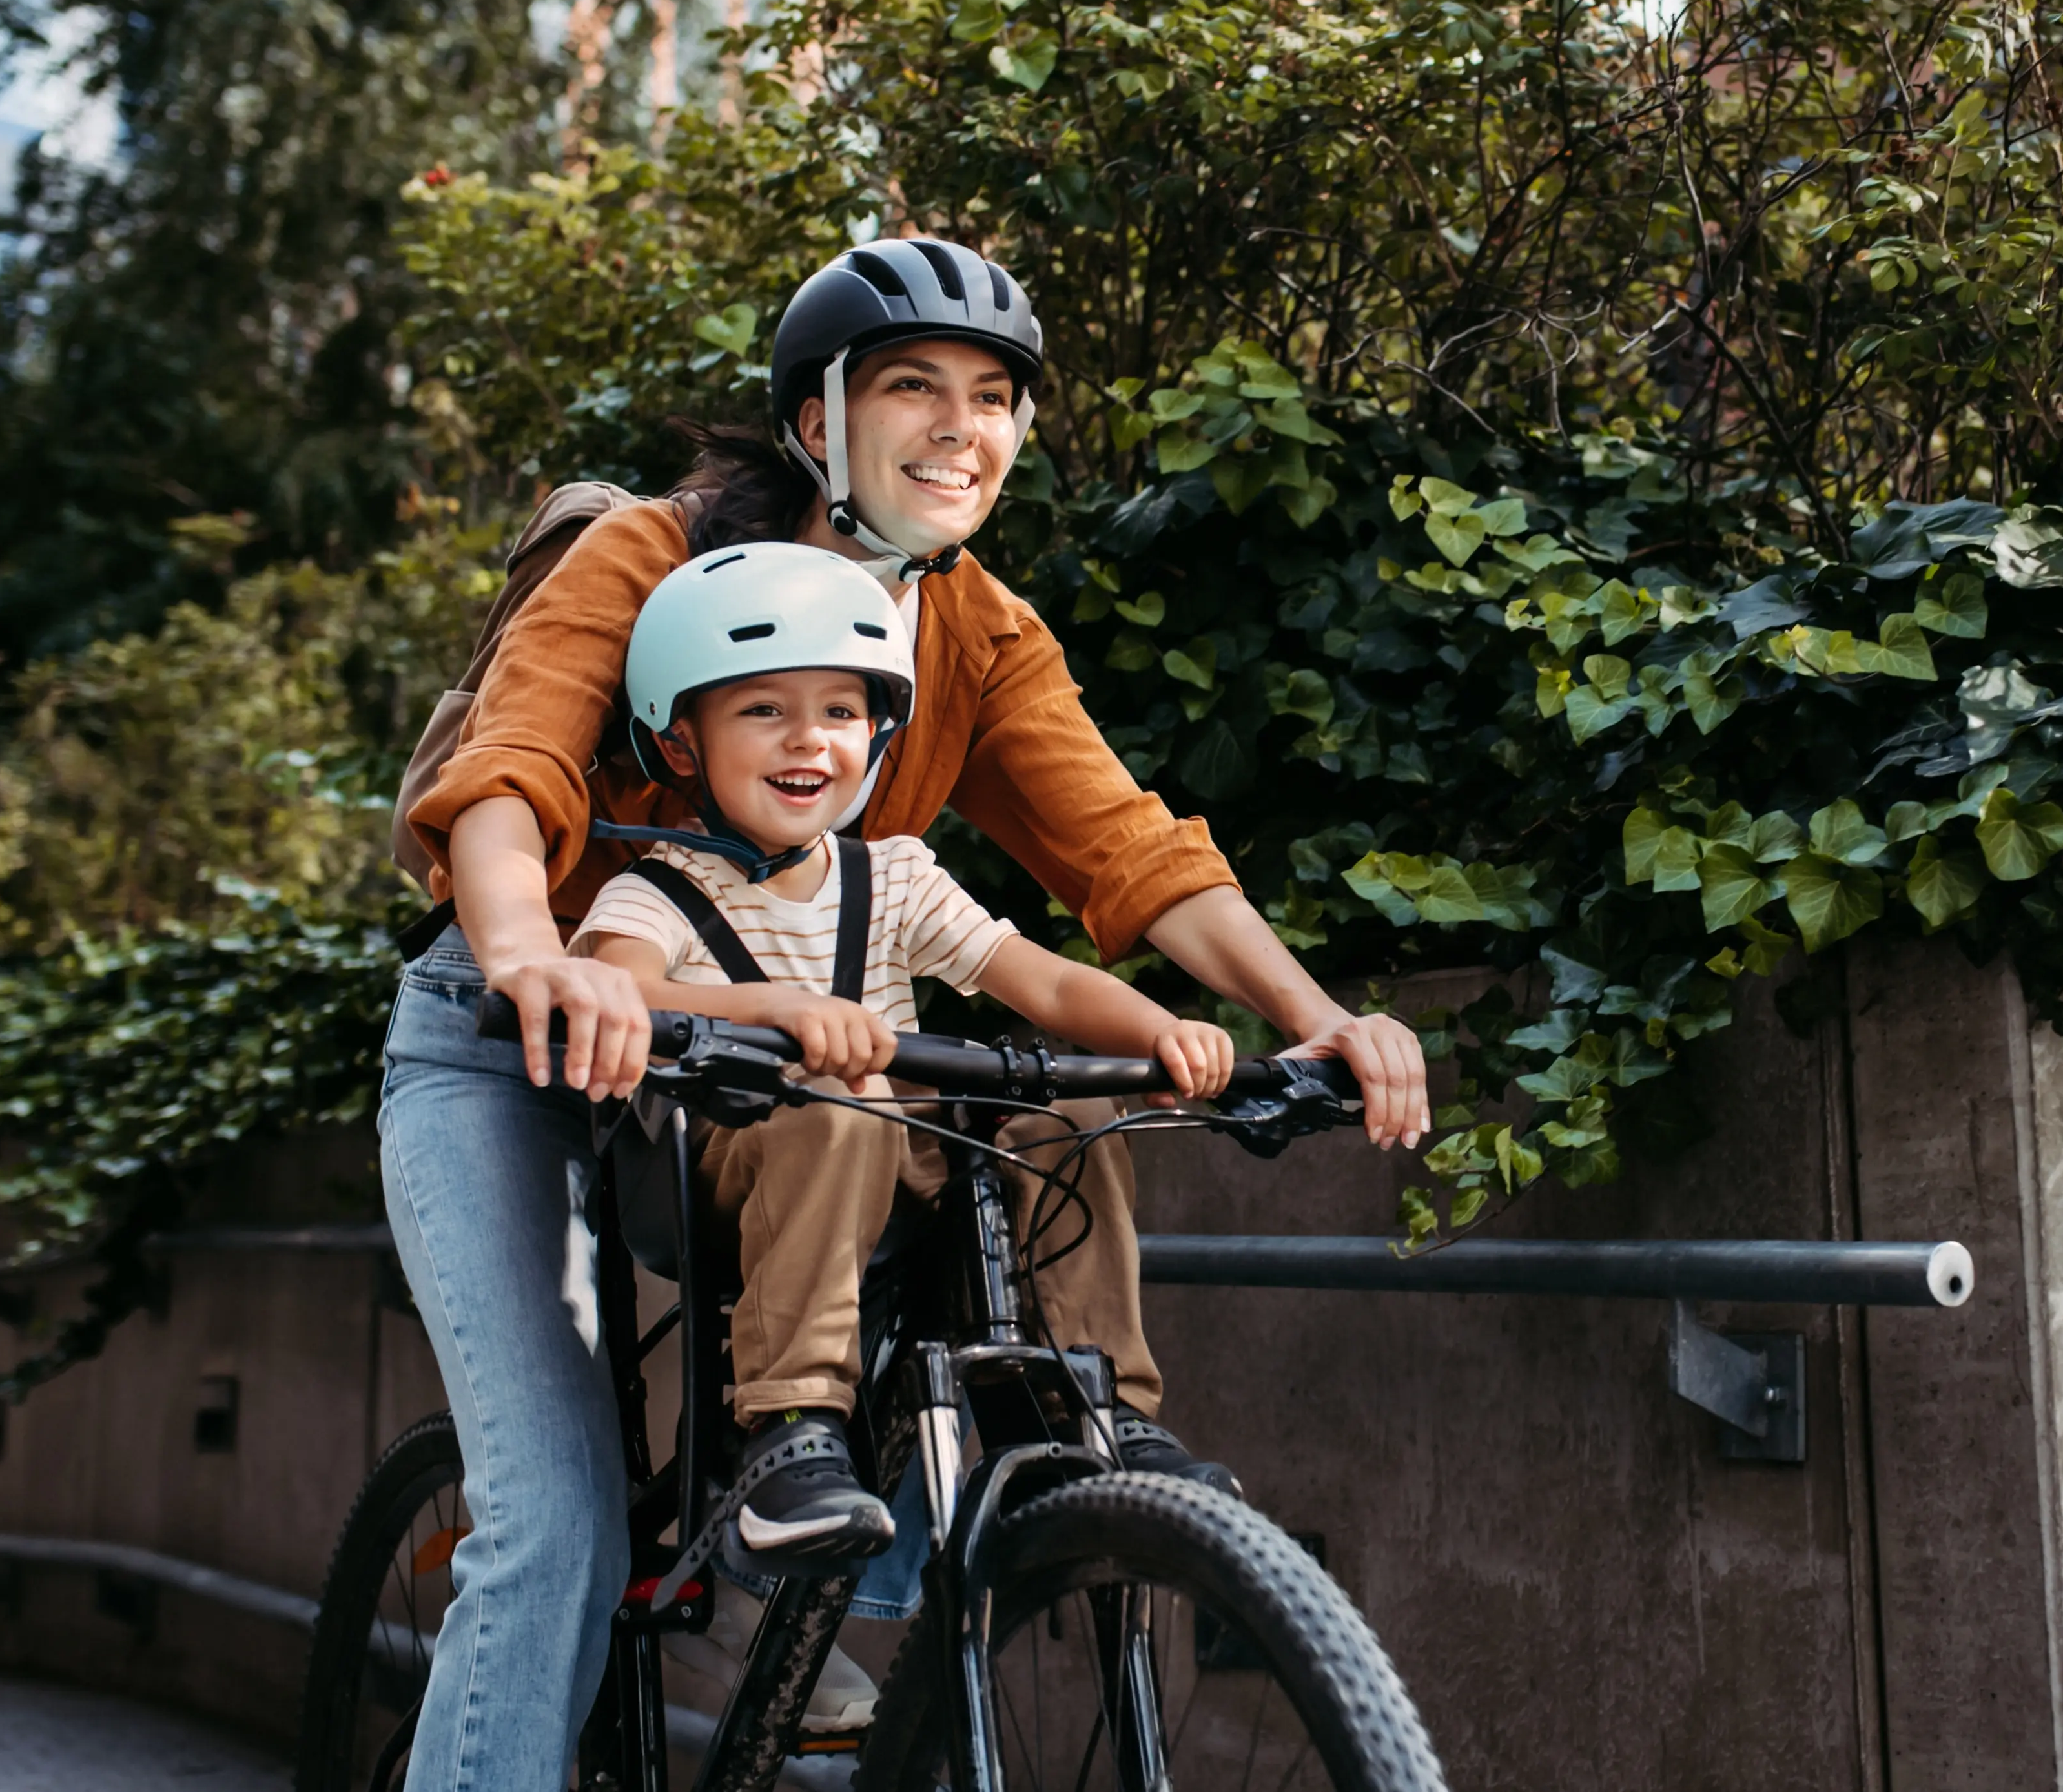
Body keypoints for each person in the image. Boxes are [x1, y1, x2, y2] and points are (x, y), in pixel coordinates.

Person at [380, 235, 1428, 1789]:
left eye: (995, 397)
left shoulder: (976, 630)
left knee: (995, 1210)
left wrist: (1316, 1013)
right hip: (518, 1023)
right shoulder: (649, 560)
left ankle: (812, 1574)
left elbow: (1126, 851)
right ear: (819, 424)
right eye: (914, 388)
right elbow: (516, 768)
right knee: (557, 1518)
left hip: (785, 1057)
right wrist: (538, 951)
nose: (962, 427)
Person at [570, 540, 1238, 1563]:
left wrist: (1160, 1030)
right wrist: (780, 1009)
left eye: (841, 711)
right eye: (763, 710)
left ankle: (1090, 1405)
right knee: (837, 1094)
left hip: (898, 1154)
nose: (809, 739)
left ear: (877, 732)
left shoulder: (893, 876)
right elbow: (612, 986)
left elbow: (1044, 979)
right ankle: (789, 1430)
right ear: (680, 744)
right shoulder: (653, 889)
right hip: (726, 1165)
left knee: (1069, 1116)